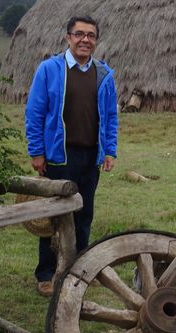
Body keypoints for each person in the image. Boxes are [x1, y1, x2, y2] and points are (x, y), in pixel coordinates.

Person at [25, 15, 118, 297]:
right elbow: (35, 112)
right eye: (79, 34)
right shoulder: (49, 70)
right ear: (68, 37)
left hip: (91, 157)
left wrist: (110, 150)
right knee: (53, 216)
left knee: (83, 214)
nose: (85, 40)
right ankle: (47, 274)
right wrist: (37, 151)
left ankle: (79, 270)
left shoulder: (104, 74)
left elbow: (111, 116)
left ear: (96, 41)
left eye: (90, 35)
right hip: (57, 156)